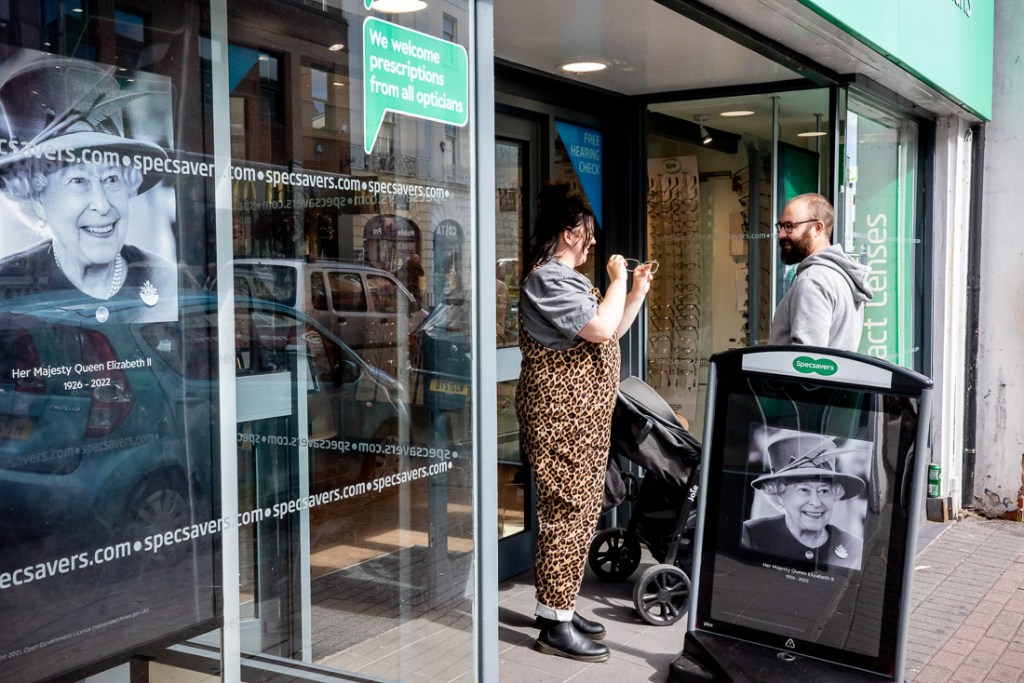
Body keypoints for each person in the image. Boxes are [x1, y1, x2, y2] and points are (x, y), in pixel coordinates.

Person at [515, 183, 653, 662]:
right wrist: (616, 280)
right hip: (562, 423)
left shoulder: (565, 280)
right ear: (569, 233)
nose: (593, 241)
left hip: (582, 423)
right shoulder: (546, 280)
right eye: (588, 232)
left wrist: (634, 292)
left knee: (578, 514)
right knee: (568, 515)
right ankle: (555, 627)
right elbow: (598, 326)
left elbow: (610, 331)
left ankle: (559, 609)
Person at [0, 57, 176, 323]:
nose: (102, 205)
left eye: (112, 178)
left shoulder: (166, 279)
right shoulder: (8, 287)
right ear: (37, 201)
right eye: (78, 181)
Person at [741, 433, 866, 570]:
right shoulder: (752, 536)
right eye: (804, 490)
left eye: (824, 491)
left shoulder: (853, 548)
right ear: (779, 495)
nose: (816, 502)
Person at [768, 193, 873, 351]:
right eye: (781, 226)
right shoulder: (839, 277)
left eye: (789, 226)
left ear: (817, 228)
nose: (781, 234)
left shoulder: (813, 281)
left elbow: (806, 361)